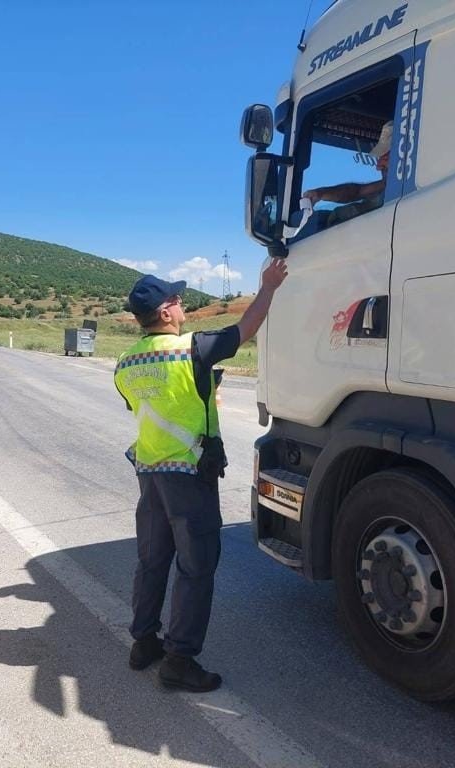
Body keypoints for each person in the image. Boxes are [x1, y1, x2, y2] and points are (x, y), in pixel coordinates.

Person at [114, 259, 288, 692]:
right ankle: (180, 658)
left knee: (152, 560)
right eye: (176, 299)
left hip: (150, 473)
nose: (182, 303)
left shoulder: (124, 363)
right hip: (189, 475)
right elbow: (246, 327)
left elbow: (147, 407)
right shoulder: (192, 348)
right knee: (196, 567)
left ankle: (143, 643)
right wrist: (267, 286)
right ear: (166, 313)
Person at [303, 119, 392, 227]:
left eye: (385, 157)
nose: (378, 166)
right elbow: (358, 191)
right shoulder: (386, 186)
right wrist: (321, 193)